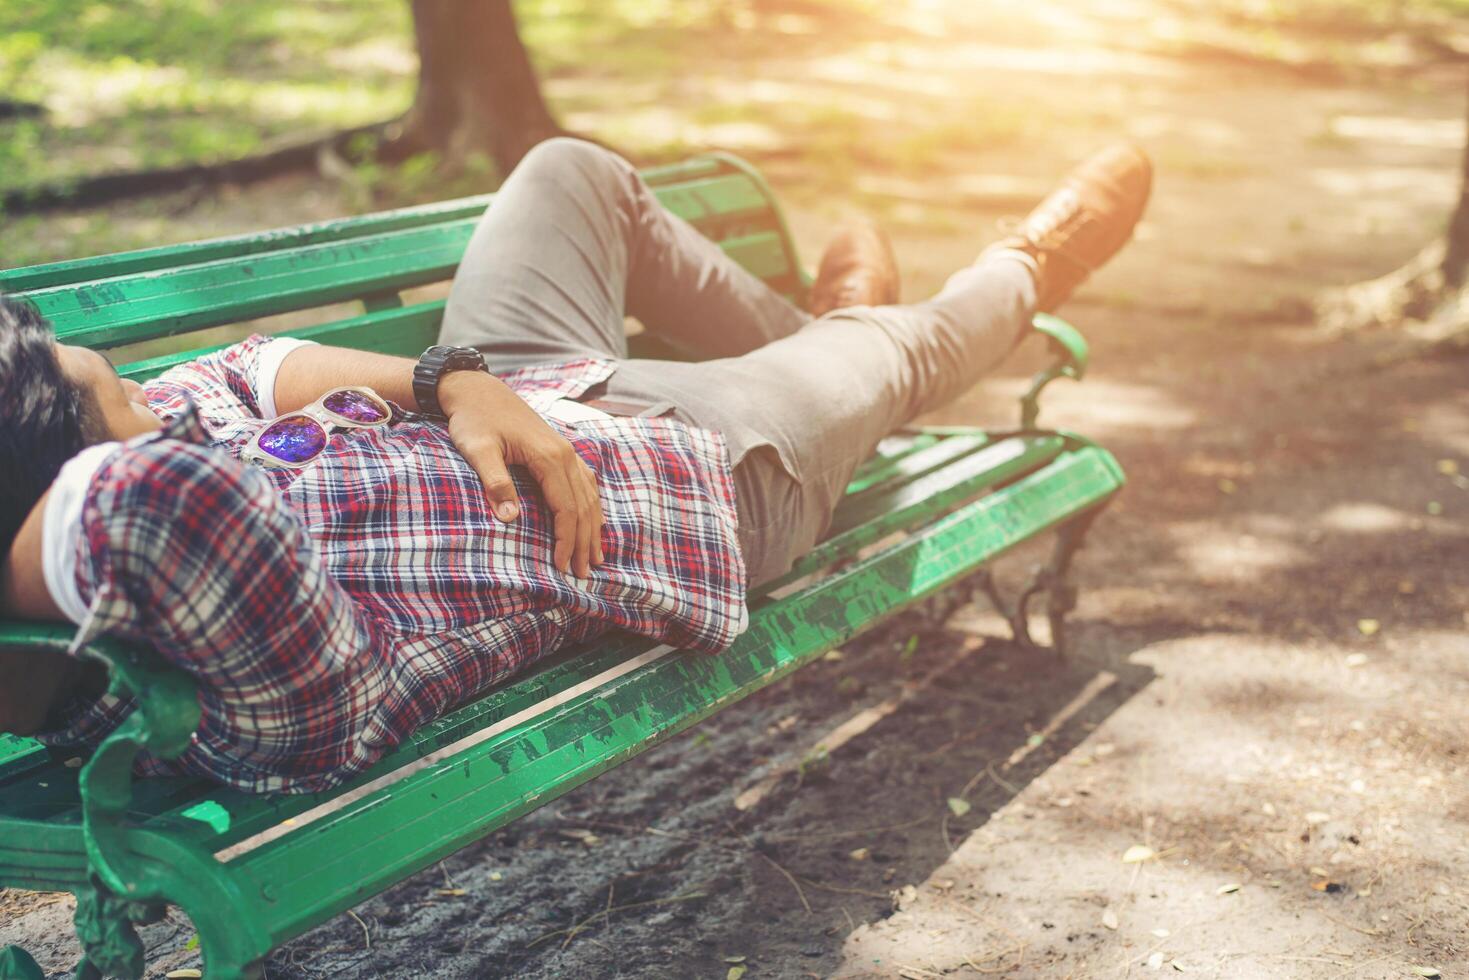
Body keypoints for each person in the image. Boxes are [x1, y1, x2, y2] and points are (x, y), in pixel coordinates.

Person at [0, 139, 1151, 793]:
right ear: (60, 485)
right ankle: (1025, 268)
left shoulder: (154, 430)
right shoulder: (260, 669)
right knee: (891, 350)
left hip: (534, 394)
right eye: (114, 392)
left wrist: (453, 380)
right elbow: (165, 511)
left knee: (569, 174)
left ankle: (820, 347)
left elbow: (245, 364)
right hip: (688, 475)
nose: (154, 391)